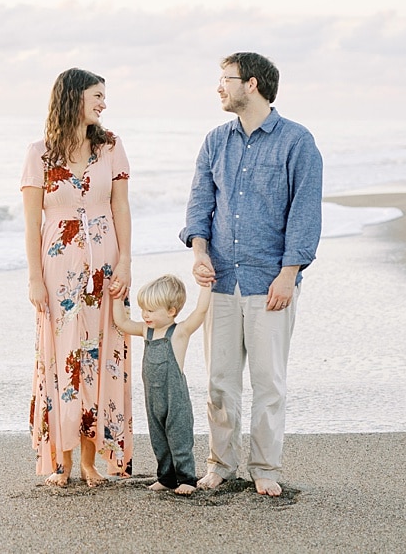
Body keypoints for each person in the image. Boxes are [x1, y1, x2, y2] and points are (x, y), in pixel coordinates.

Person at [179, 52, 322, 497]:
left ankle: (264, 467)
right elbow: (200, 205)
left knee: (268, 382)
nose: (219, 87)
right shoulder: (215, 141)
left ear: (252, 84)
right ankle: (221, 463)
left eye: (226, 79)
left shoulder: (297, 142)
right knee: (219, 381)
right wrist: (199, 252)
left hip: (271, 283)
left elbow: (305, 213)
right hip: (220, 280)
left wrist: (289, 273)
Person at [21, 67, 133, 487]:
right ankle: (61, 461)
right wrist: (35, 279)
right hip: (59, 269)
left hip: (105, 265)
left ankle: (90, 461)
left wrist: (124, 264)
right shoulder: (39, 153)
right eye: (97, 96)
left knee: (102, 355)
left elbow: (121, 207)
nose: (104, 104)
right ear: (73, 98)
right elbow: (32, 223)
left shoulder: (110, 147)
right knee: (64, 359)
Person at [112, 275, 211, 495]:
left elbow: (200, 312)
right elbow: (122, 323)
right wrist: (116, 298)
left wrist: (206, 287)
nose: (145, 315)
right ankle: (166, 477)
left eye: (151, 310)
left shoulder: (179, 332)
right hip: (153, 398)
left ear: (171, 311)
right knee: (158, 438)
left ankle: (187, 478)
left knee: (179, 438)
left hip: (175, 398)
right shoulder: (145, 331)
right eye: (143, 309)